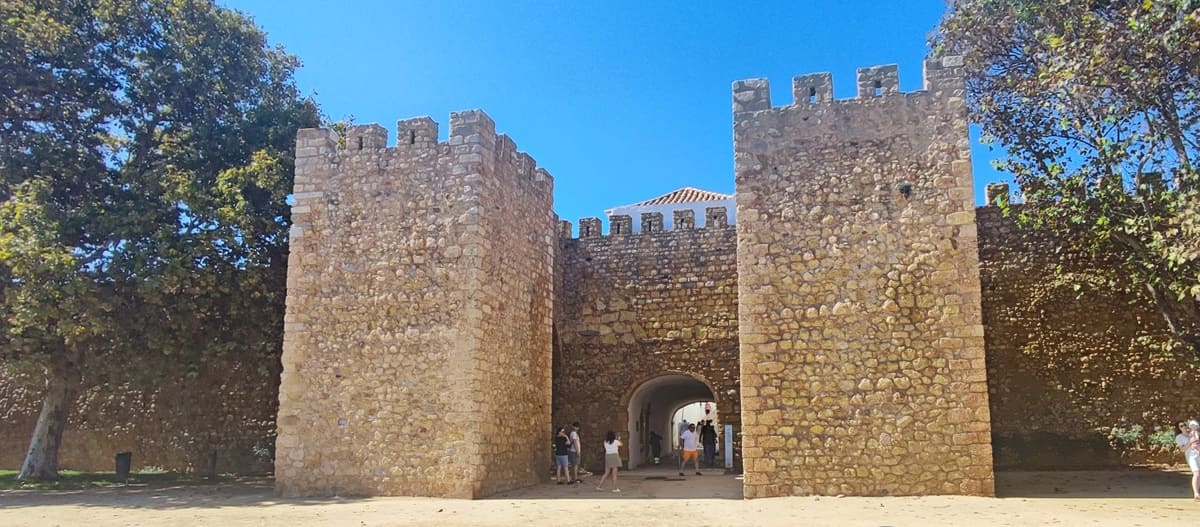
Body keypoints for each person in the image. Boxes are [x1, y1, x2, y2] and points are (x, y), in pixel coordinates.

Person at [1183, 420, 1200, 499]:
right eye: (1192, 425)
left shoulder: (1197, 434)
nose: (1194, 427)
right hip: (1192, 455)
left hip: (1198, 454)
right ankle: (1196, 492)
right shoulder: (1189, 435)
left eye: (1195, 426)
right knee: (1196, 473)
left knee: (1198, 474)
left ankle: (1197, 491)